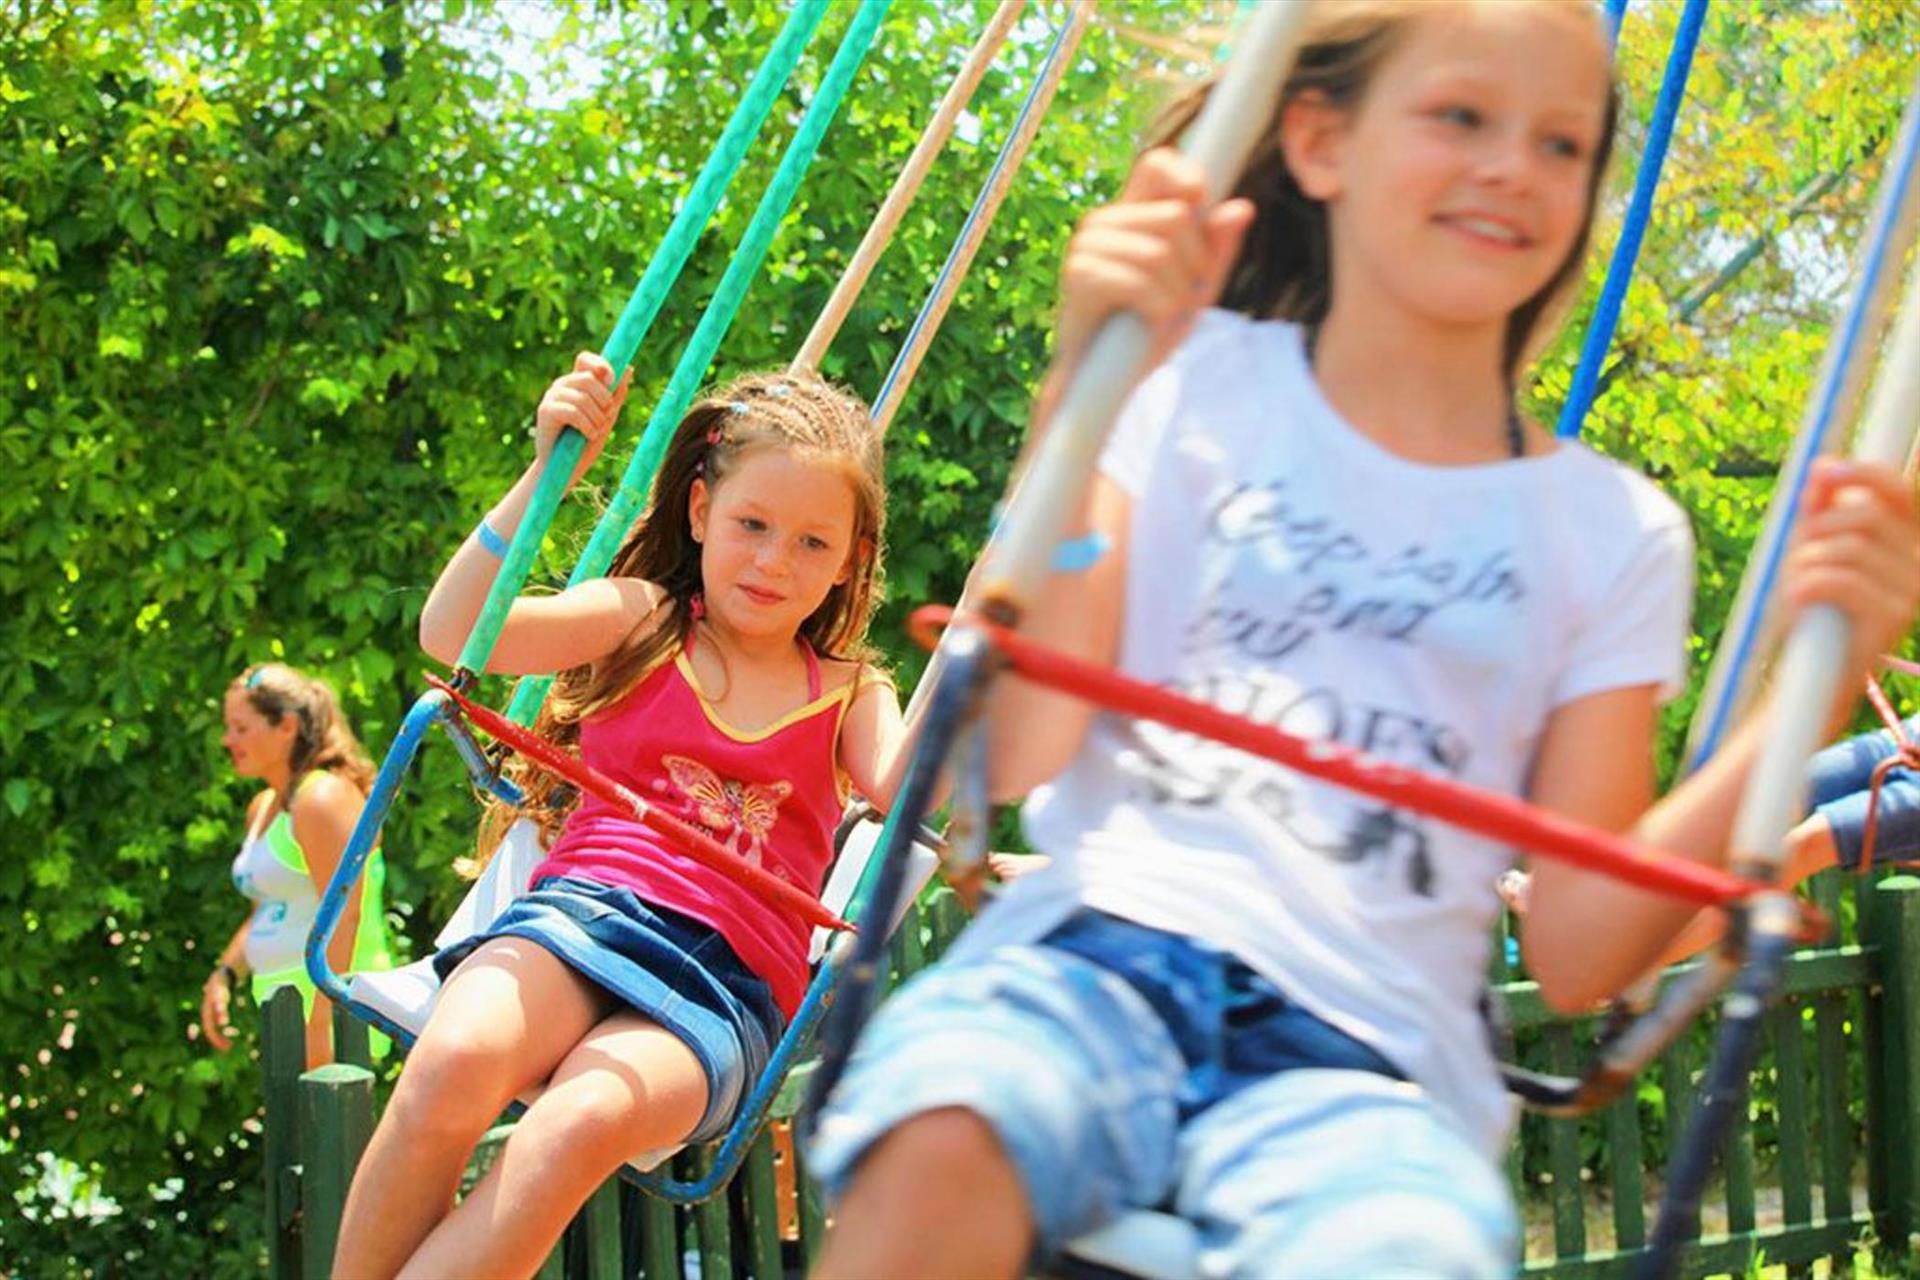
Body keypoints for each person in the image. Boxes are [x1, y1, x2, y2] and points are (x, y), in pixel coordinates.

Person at [806, 3, 1920, 1277]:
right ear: (1321, 141)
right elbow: (1012, 748)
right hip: (1096, 957)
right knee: (951, 1121)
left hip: (1368, 1057)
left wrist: (1809, 695)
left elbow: (1577, 950)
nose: (1514, 166)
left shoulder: (1610, 533)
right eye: (1461, 116)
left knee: (1403, 1247)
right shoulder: (1182, 386)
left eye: (1562, 145)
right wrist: (1078, 397)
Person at [333, 354, 911, 1278]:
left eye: (813, 543)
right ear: (699, 511)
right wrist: (544, 473)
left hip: (726, 983)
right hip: (583, 915)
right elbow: (453, 636)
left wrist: (987, 645)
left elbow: (911, 790)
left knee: (580, 1121)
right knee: (453, 1061)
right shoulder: (644, 619)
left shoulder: (850, 692)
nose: (773, 561)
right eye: (752, 524)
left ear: (851, 561)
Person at [203, 663, 397, 1069]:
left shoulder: (322, 798)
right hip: (285, 1015)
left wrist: (321, 1027)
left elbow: (343, 914)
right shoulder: (262, 807)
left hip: (336, 1024)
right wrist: (225, 974)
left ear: (287, 726)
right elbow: (268, 909)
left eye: (241, 727)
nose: (227, 739)